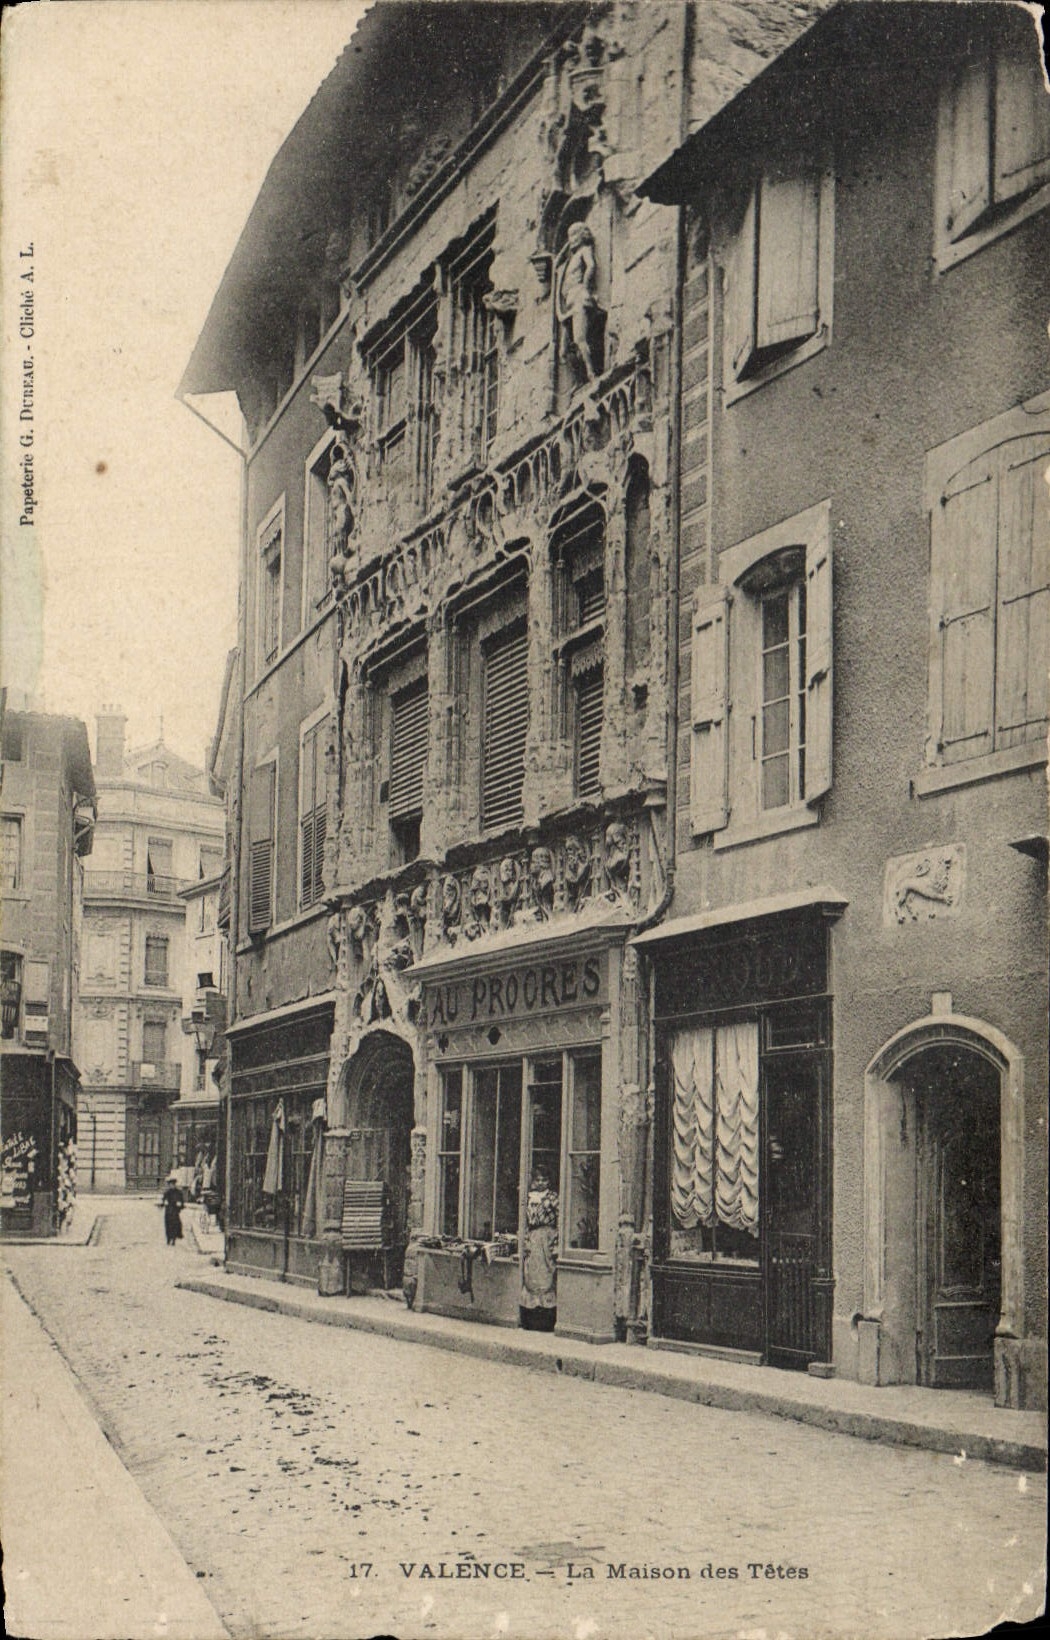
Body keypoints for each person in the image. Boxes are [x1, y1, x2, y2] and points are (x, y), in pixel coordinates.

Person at [520, 1167, 558, 1330]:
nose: (541, 1183)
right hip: (533, 1236)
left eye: (544, 1180)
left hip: (547, 1237)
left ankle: (546, 1318)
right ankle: (531, 1317)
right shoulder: (528, 1197)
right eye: (538, 1180)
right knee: (531, 1275)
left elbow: (560, 1218)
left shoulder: (553, 1197)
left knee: (546, 1275)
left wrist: (555, 1240)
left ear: (548, 1181)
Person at [160, 1175, 184, 1246]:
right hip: (168, 1211)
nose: (172, 1186)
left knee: (175, 1225)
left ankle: (173, 1239)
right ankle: (168, 1238)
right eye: (170, 1184)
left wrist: (180, 1206)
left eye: (173, 1184)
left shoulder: (179, 1192)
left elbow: (182, 1201)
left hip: (175, 1211)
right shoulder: (167, 1192)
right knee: (168, 1225)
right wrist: (163, 1204)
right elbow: (163, 1200)